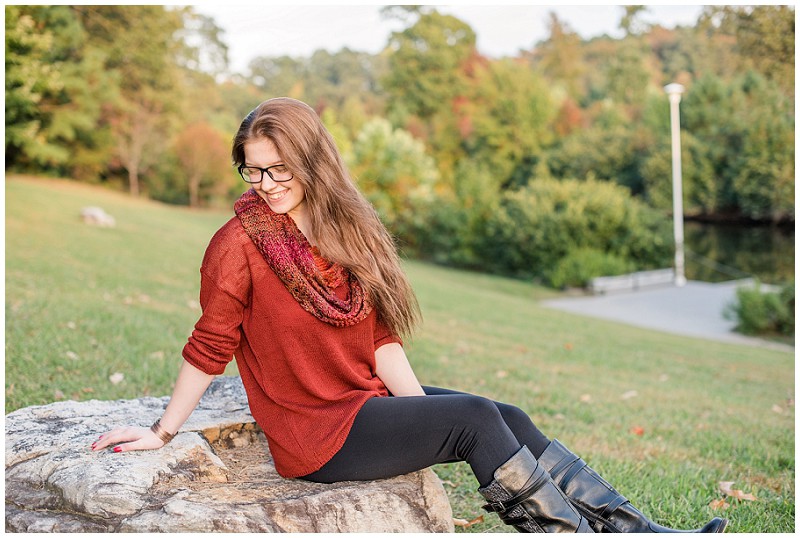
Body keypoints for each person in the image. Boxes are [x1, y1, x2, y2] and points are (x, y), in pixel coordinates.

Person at [92, 97, 727, 533]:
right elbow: (210, 343)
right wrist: (164, 431)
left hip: (361, 400)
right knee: (475, 419)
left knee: (503, 415)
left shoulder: (347, 230)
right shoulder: (238, 245)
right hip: (314, 431)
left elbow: (381, 341)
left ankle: (639, 528)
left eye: (279, 168)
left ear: (314, 162)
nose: (265, 183)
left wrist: (418, 414)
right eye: (252, 170)